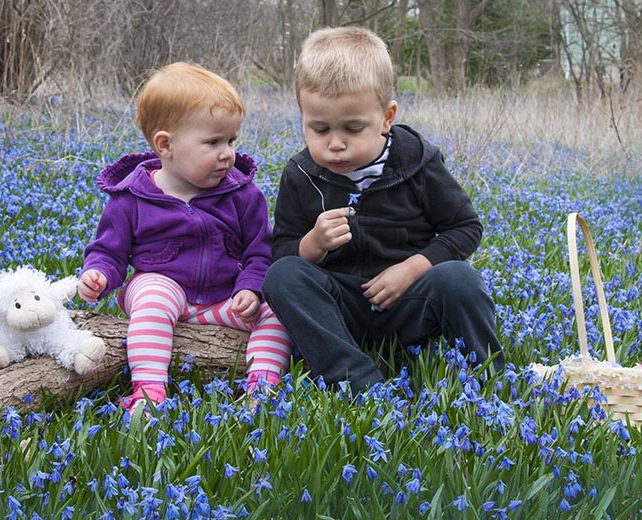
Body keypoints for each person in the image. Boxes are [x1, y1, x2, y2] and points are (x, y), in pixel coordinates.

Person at [262, 27, 503, 394]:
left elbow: (465, 227)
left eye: (353, 128)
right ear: (302, 115)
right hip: (339, 310)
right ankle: (359, 382)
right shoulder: (301, 175)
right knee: (283, 276)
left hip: (408, 303)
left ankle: (489, 384)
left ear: (387, 117)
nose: (335, 144)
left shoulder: (418, 163)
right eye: (319, 129)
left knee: (460, 278)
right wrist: (313, 244)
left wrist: (412, 269)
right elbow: (282, 251)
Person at [79, 62, 292, 413]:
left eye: (231, 140)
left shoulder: (243, 194)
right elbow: (108, 252)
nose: (227, 153)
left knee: (278, 311)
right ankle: (149, 390)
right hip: (164, 292)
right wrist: (98, 274)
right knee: (154, 295)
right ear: (165, 145)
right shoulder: (130, 199)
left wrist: (250, 289)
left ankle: (262, 385)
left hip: (224, 300)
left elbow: (259, 252)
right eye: (213, 142)